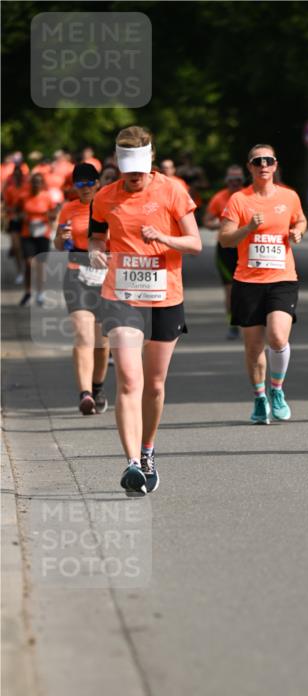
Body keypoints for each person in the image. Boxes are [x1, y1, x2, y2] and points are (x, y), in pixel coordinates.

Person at [89, 126, 201, 494]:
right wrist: (94, 250)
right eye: (127, 169)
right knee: (129, 380)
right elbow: (95, 235)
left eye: (139, 168)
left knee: (153, 385)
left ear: (151, 159)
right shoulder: (104, 197)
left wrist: (164, 237)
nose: (134, 176)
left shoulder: (172, 190)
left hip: (164, 297)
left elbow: (195, 243)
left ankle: (148, 450)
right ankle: (131, 464)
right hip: (121, 296)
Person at [219, 144, 307, 423]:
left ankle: (277, 390)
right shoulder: (239, 200)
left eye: (268, 160)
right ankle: (259, 397)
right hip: (247, 280)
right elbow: (225, 239)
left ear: (275, 165)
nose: (263, 165)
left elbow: (301, 219)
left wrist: (297, 231)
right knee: (253, 346)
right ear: (250, 167)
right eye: (258, 161)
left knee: (279, 337)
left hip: (282, 278)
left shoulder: (289, 196)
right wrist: (248, 229)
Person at [54, 162, 110, 415]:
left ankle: (97, 388)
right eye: (80, 184)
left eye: (89, 183)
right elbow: (57, 244)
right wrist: (61, 239)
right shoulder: (68, 208)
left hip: (107, 276)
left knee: (102, 342)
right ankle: (85, 394)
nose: (85, 189)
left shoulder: (108, 205)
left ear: (97, 183)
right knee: (84, 336)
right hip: (77, 274)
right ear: (74, 186)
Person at [203, 164, 245, 339]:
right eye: (231, 180)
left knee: (251, 289)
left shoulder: (249, 196)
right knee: (230, 290)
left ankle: (255, 321)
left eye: (238, 180)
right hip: (226, 250)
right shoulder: (219, 198)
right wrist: (221, 225)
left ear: (243, 180)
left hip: (246, 249)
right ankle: (233, 323)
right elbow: (206, 220)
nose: (235, 183)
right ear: (226, 181)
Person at [18, 171, 59, 306]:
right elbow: (15, 210)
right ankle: (28, 291)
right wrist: (21, 217)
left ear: (42, 184)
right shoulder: (24, 197)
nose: (36, 184)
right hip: (27, 233)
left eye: (39, 182)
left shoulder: (47, 197)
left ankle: (40, 293)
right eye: (34, 182)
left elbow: (53, 213)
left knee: (41, 265)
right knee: (29, 264)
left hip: (43, 233)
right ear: (31, 183)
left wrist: (49, 218)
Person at [2, 160, 30, 283]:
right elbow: (6, 206)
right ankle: (20, 271)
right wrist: (12, 209)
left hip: (25, 220)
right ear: (13, 176)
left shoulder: (27, 188)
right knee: (17, 247)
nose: (18, 177)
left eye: (20, 175)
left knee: (25, 248)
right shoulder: (10, 189)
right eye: (16, 175)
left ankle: (26, 269)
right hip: (14, 220)